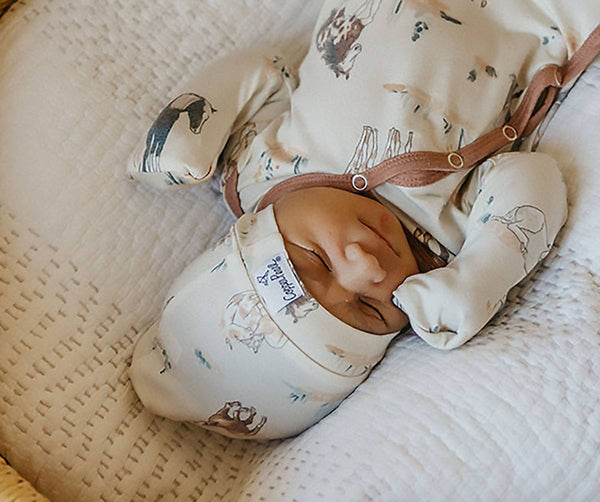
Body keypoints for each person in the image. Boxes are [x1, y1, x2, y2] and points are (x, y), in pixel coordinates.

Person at [127, 0, 600, 439]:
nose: (367, 266)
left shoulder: (256, 174)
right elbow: (533, 177)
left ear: (257, 226)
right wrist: (482, 274)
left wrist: (183, 133)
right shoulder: (439, 242)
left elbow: (265, 72)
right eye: (371, 309)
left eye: (316, 259)